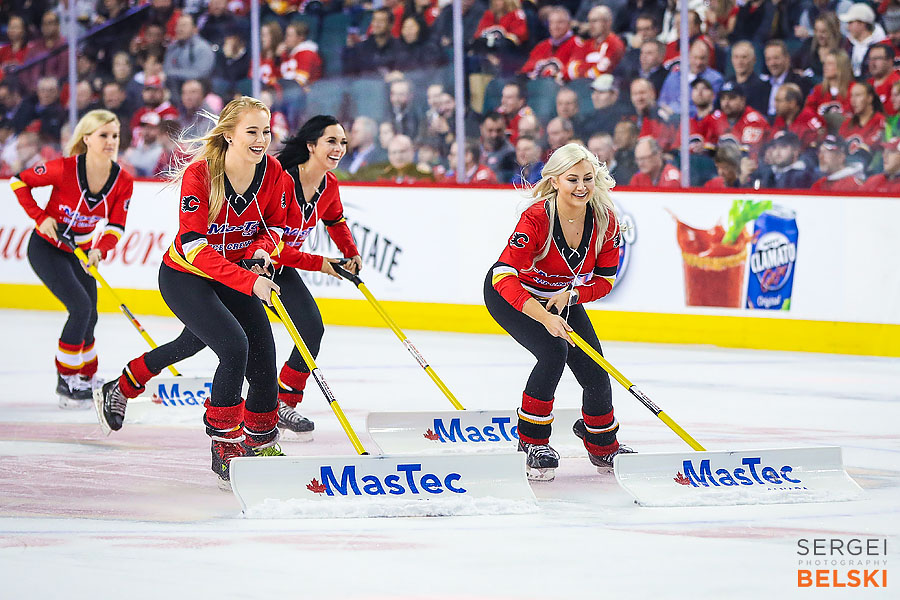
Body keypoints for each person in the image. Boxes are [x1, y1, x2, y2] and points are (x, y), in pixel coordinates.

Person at [94, 97, 285, 488]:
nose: (261, 140)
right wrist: (250, 282)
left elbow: (276, 227)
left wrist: (262, 252)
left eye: (265, 131)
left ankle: (262, 441)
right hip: (187, 276)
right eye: (252, 131)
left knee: (260, 353)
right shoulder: (201, 174)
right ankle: (224, 444)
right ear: (229, 135)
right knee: (234, 347)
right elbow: (195, 247)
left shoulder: (274, 172)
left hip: (233, 274)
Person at [484, 142, 633, 482]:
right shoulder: (537, 218)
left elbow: (606, 280)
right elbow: (504, 276)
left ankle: (602, 444)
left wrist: (573, 295)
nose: (581, 187)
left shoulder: (605, 221)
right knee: (553, 352)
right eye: (572, 179)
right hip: (511, 294)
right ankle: (532, 443)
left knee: (595, 366)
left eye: (588, 178)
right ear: (554, 181)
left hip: (559, 297)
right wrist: (545, 317)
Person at [10, 110, 133, 407]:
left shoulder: (123, 180)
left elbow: (116, 226)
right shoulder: (63, 169)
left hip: (82, 254)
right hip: (47, 249)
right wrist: (40, 218)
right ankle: (66, 381)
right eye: (103, 135)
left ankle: (88, 378)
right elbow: (18, 182)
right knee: (80, 308)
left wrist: (99, 249)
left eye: (114, 136)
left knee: (91, 315)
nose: (111, 141)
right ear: (87, 138)